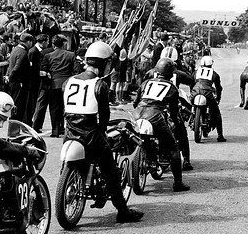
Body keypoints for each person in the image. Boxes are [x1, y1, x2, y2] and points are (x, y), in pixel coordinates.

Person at [63, 41, 143, 223]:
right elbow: (104, 117)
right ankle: (123, 211)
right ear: (104, 63)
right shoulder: (100, 85)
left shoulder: (69, 81)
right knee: (111, 171)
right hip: (91, 133)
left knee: (68, 161)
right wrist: (102, 132)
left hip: (70, 132)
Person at [134, 57, 191, 192]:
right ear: (171, 72)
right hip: (154, 115)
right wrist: (177, 124)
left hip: (137, 113)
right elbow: (174, 112)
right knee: (173, 147)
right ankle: (178, 183)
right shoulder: (172, 88)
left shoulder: (146, 82)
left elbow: (135, 102)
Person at [45, 34, 76, 137]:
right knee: (67, 108)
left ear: (54, 45)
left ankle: (55, 130)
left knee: (54, 108)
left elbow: (43, 71)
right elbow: (76, 71)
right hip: (67, 85)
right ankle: (66, 129)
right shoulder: (71, 55)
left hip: (53, 84)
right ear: (63, 44)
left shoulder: (48, 56)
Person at [190, 55, 226, 142]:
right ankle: (220, 135)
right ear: (211, 64)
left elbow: (191, 84)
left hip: (195, 91)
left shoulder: (195, 72)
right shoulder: (214, 74)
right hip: (207, 92)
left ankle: (191, 119)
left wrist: (192, 93)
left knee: (189, 107)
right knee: (217, 113)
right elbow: (219, 88)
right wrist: (218, 98)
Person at [6, 32, 34, 123]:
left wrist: (8, 76)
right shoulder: (23, 53)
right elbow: (16, 68)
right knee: (18, 106)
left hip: (14, 82)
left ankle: (14, 127)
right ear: (28, 42)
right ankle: (14, 129)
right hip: (19, 82)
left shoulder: (15, 49)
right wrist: (10, 77)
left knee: (15, 104)